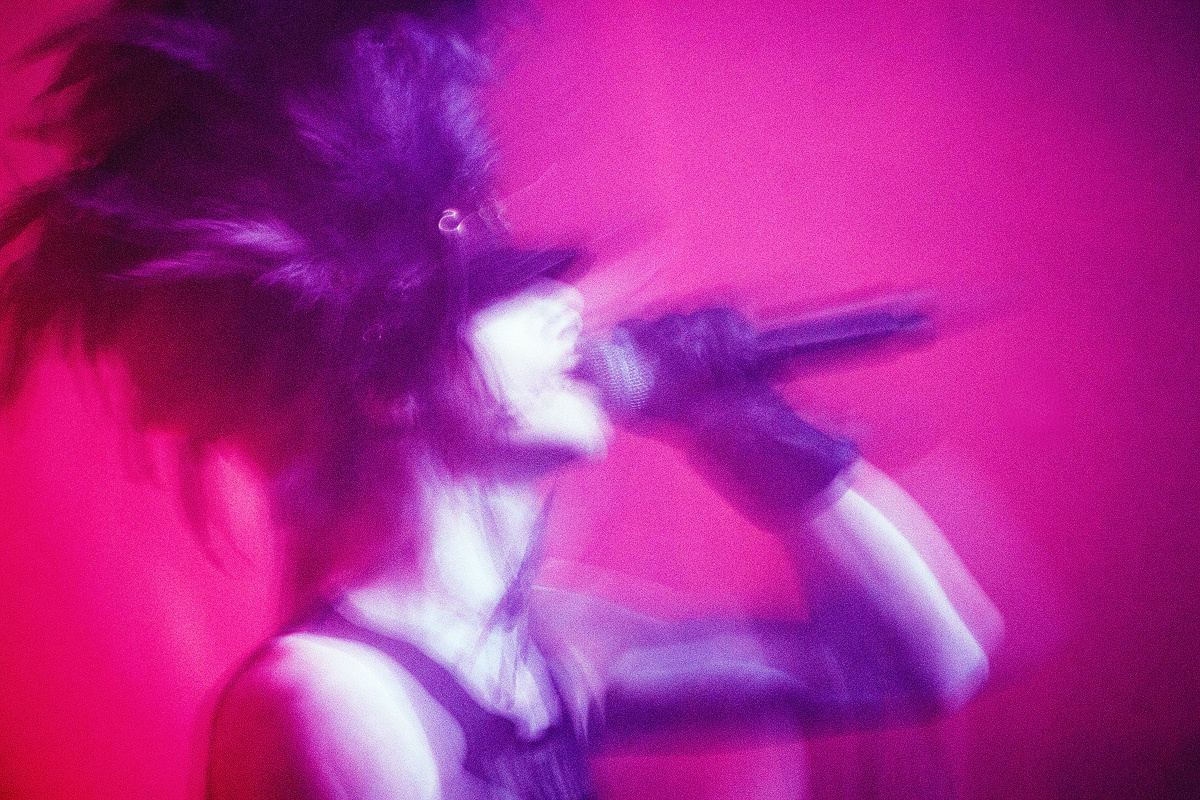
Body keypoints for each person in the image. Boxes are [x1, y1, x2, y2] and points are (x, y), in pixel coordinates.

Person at [0, 1, 999, 798]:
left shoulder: (549, 645)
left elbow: (929, 662)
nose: (568, 308)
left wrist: (752, 430)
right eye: (503, 297)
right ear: (390, 385)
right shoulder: (330, 704)